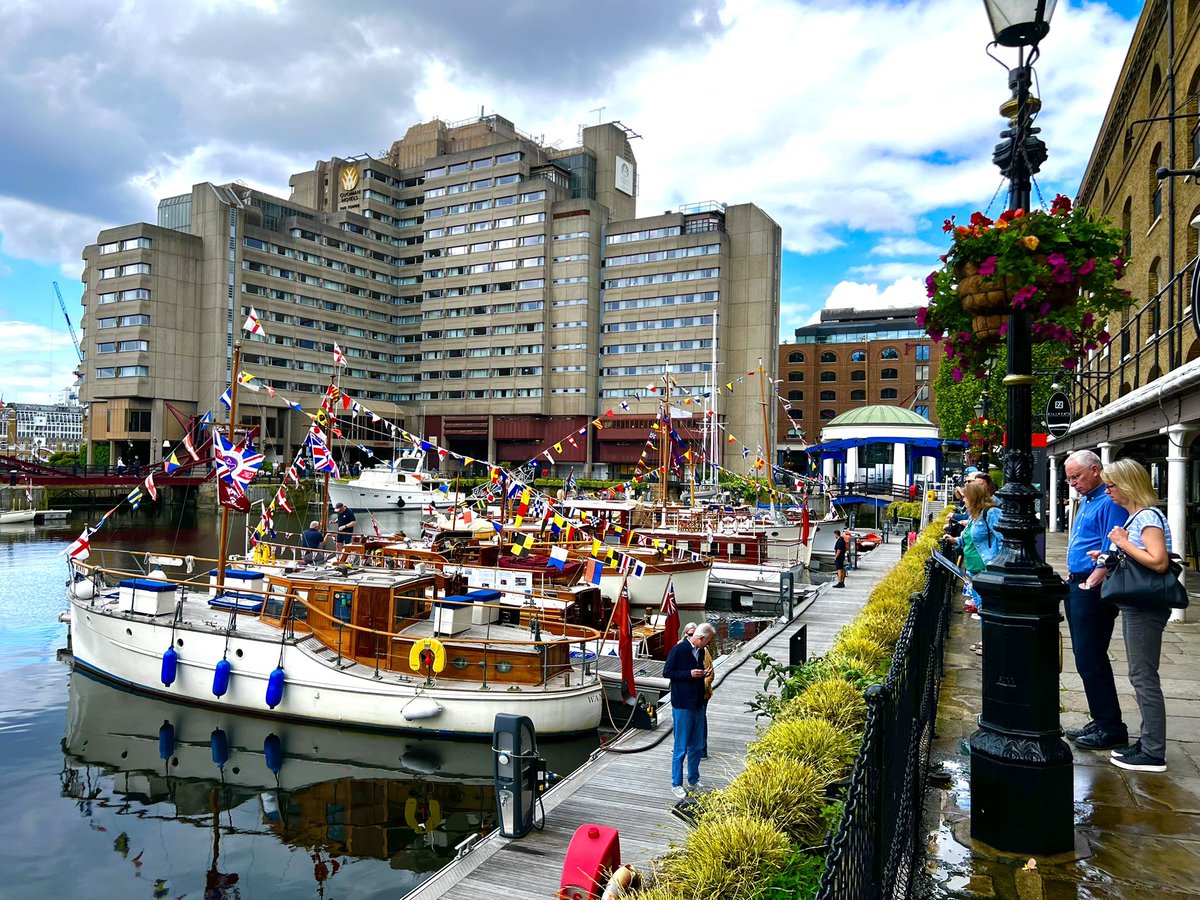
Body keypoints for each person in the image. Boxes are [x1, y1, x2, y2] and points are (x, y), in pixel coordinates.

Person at [1083, 459, 1173, 773]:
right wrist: (1112, 553)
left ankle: (1153, 752)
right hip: (1139, 604)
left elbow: (1158, 561)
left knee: (1144, 678)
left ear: (1128, 484)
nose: (1107, 491)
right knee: (1141, 676)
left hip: (1145, 605)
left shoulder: (1147, 515)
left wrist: (1121, 542)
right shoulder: (1138, 516)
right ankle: (1148, 742)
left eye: (1111, 485)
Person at [1062, 449, 1129, 751]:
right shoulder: (1089, 500)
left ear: (1095, 470)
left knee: (1091, 657)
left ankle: (1111, 726)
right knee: (1084, 657)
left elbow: (1111, 548)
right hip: (1078, 584)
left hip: (1091, 588)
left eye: (1076, 476)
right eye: (1069, 478)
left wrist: (1091, 581)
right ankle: (1101, 719)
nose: (1073, 482)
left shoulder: (1108, 502)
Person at [663, 622, 715, 798]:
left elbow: (696, 671)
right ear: (701, 638)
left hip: (698, 703)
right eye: (708, 641)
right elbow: (667, 672)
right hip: (682, 705)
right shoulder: (679, 650)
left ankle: (693, 778)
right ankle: (676, 783)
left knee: (697, 745)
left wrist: (702, 673)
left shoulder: (700, 651)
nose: (708, 644)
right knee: (681, 747)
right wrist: (689, 674)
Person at [945, 480, 1002, 636]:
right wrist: (955, 540)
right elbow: (969, 537)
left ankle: (989, 642)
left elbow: (1003, 538)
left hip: (984, 567)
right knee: (980, 605)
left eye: (965, 497)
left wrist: (996, 562)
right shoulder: (974, 514)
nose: (963, 500)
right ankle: (986, 640)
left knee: (986, 607)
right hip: (971, 568)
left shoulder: (990, 513)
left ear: (974, 497)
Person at [684, 622, 716, 759]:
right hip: (686, 693)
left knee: (700, 720)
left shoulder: (704, 651)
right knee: (685, 720)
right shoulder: (681, 649)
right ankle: (684, 747)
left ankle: (702, 749)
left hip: (702, 693)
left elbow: (711, 673)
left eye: (693, 634)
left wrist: (702, 685)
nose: (691, 637)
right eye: (689, 634)